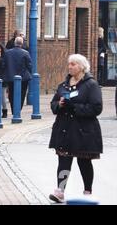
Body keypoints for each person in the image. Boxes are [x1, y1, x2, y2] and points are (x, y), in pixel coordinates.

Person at [48, 54, 103, 203]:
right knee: (64, 160)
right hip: (65, 129)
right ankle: (60, 191)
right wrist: (58, 105)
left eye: (73, 64)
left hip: (83, 131)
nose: (70, 66)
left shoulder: (91, 85)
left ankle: (87, 191)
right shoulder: (63, 85)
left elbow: (96, 108)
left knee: (84, 161)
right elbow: (53, 105)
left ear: (81, 67)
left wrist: (75, 107)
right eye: (69, 64)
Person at [4, 36, 32, 114]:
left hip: (11, 76)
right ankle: (18, 109)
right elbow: (29, 65)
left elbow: (4, 64)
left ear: (14, 43)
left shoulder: (7, 53)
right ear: (22, 44)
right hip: (23, 78)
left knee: (11, 93)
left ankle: (14, 109)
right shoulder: (25, 53)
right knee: (22, 94)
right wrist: (29, 73)